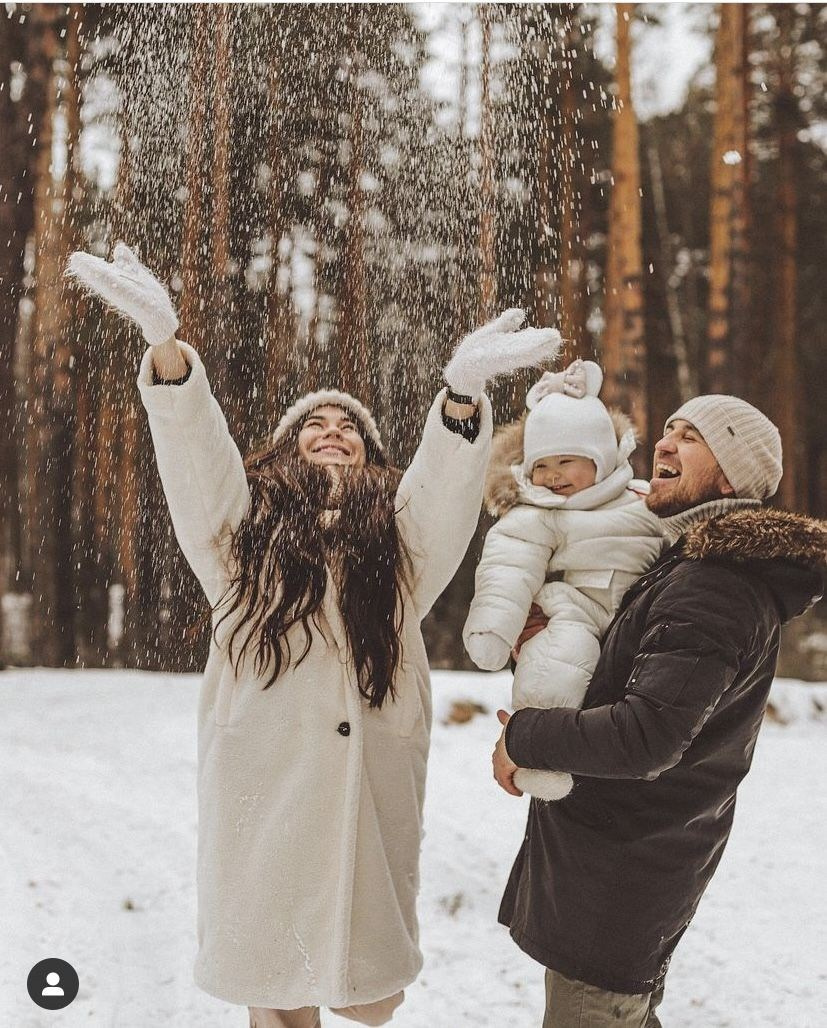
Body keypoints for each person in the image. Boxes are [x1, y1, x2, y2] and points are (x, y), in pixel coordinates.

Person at [67, 243, 561, 1028]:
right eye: (313, 426)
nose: (333, 431)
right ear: (285, 449)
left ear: (370, 453)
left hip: (370, 779)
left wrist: (460, 397)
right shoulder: (237, 533)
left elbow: (441, 492)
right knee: (277, 985)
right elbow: (196, 461)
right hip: (266, 782)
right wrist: (166, 353)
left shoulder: (401, 547)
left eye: (350, 427)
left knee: (363, 985)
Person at [492, 394, 826, 1027]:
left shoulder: (715, 584)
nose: (664, 444)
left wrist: (524, 739)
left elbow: (646, 736)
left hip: (619, 879)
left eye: (692, 437)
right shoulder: (686, 568)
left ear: (731, 476)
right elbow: (630, 684)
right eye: (668, 430)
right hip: (618, 869)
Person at [463, 360, 663, 800]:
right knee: (553, 663)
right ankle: (540, 766)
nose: (551, 476)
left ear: (601, 458)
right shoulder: (537, 512)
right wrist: (494, 626)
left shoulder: (646, 499)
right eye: (541, 465)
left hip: (644, 614)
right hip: (575, 608)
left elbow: (690, 532)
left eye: (566, 461)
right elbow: (508, 565)